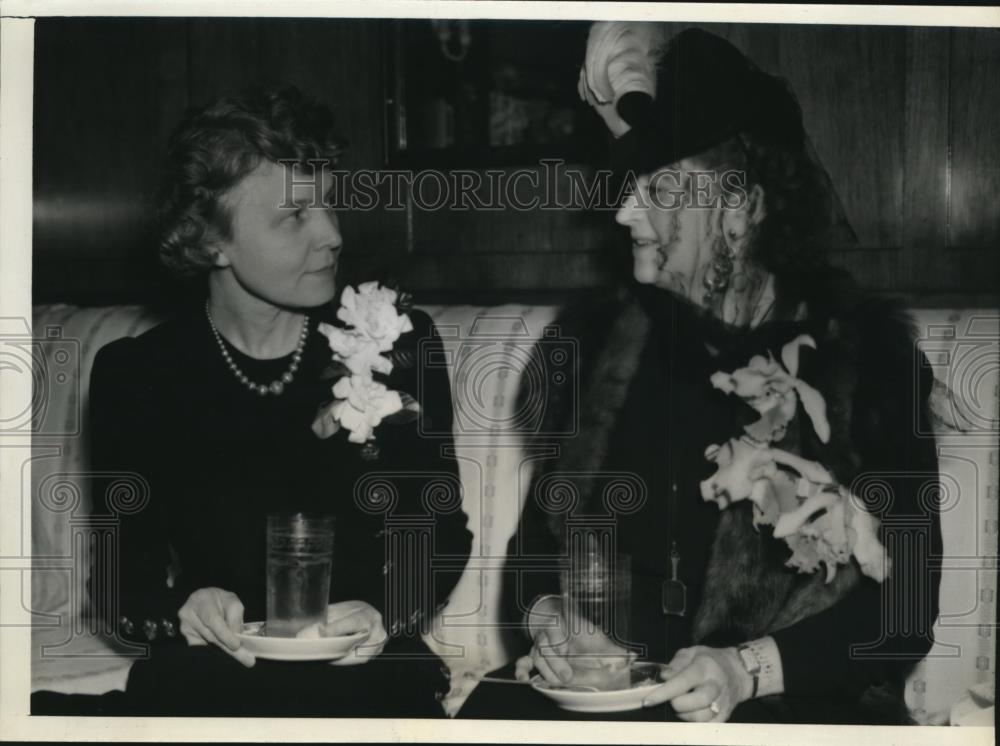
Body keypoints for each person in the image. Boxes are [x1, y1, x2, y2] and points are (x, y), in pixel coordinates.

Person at [458, 25, 941, 724]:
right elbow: (535, 546)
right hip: (614, 695)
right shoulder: (601, 353)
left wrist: (745, 670)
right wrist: (549, 618)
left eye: (654, 187)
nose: (625, 212)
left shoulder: (869, 369)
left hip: (780, 700)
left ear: (739, 209)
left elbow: (906, 605)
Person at [32, 87, 472, 717]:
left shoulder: (395, 340)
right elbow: (120, 576)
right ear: (211, 242)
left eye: (327, 204)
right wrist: (182, 609)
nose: (331, 235)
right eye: (294, 217)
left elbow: (440, 529)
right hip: (214, 677)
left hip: (367, 673)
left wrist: (383, 609)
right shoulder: (139, 374)